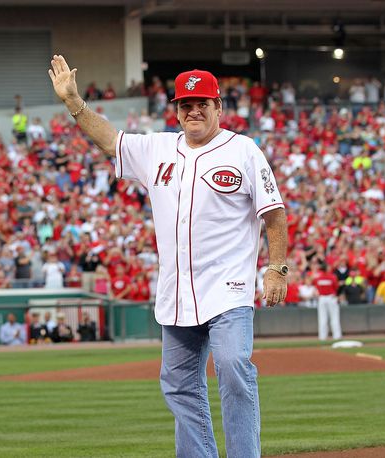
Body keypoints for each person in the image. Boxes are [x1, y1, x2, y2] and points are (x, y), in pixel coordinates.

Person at [49, 55, 288, 457]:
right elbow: (110, 139)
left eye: (203, 104)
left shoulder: (244, 151)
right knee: (178, 384)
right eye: (185, 105)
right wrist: (74, 102)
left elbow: (274, 213)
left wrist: (277, 268)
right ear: (175, 110)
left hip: (228, 289)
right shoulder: (156, 148)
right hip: (176, 292)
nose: (194, 111)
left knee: (232, 367)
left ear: (218, 108)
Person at [312, 264, 342, 341]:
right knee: (334, 318)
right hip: (331, 298)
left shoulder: (318, 278)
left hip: (322, 298)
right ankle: (337, 336)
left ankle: (322, 337)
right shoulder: (332, 277)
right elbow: (336, 287)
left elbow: (316, 286)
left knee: (322, 319)